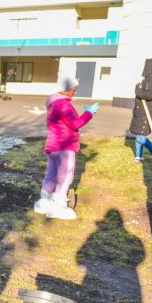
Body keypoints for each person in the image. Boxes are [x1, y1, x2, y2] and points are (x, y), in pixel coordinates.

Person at [33, 75, 98, 220]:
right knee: (65, 176)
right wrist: (89, 113)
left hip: (53, 145)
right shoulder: (63, 104)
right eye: (74, 89)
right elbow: (75, 124)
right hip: (65, 145)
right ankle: (59, 207)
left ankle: (44, 202)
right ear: (67, 89)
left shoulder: (53, 102)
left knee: (52, 174)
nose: (75, 92)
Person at [128, 59, 152, 164]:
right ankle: (139, 156)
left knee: (141, 137)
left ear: (151, 66)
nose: (144, 67)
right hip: (141, 111)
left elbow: (149, 95)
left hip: (147, 112)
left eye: (146, 65)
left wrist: (138, 90)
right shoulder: (148, 79)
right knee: (139, 134)